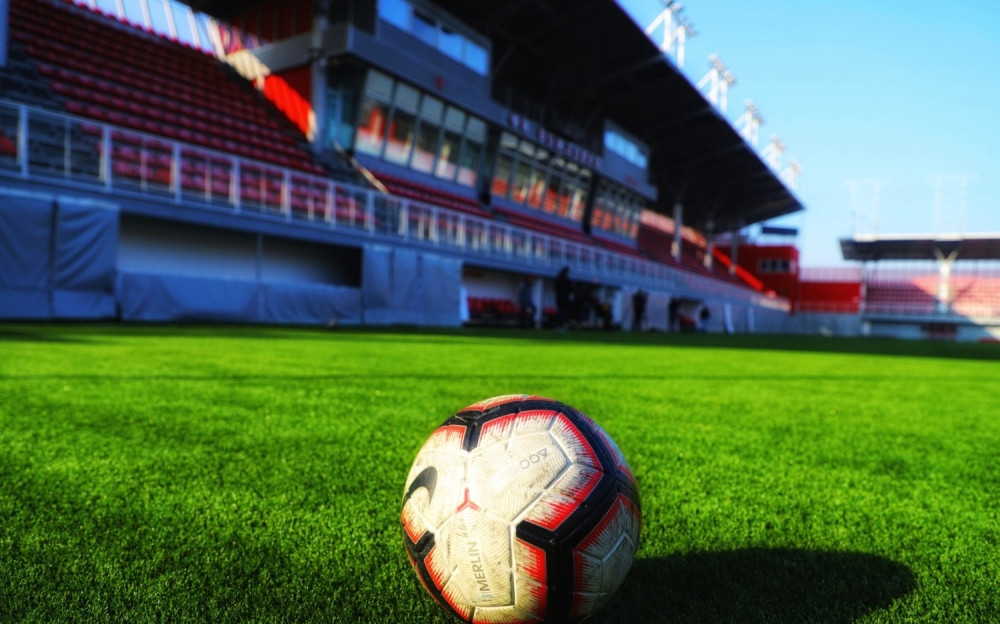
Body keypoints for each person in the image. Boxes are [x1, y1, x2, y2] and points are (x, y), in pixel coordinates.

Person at [554, 266, 573, 331]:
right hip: (564, 298)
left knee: (560, 311)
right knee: (563, 312)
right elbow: (570, 288)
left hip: (559, 297)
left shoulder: (558, 278)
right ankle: (560, 325)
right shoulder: (566, 280)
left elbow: (556, 288)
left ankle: (558, 325)